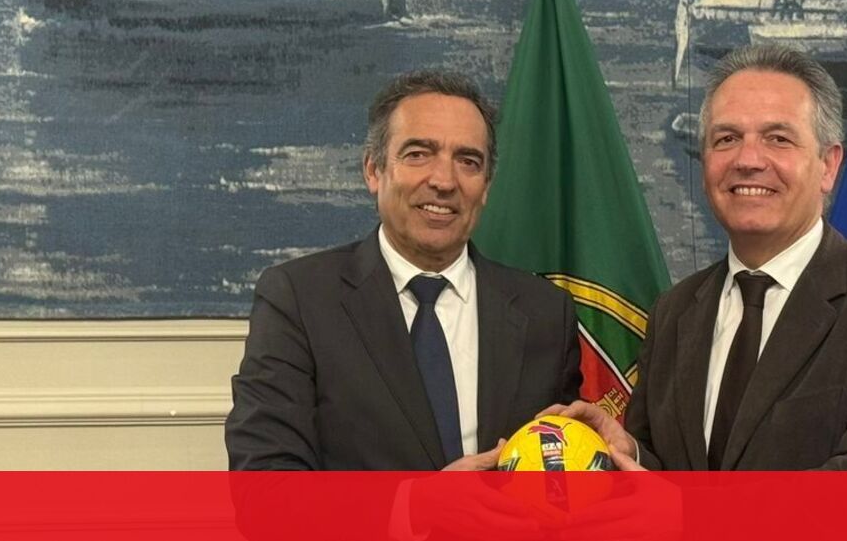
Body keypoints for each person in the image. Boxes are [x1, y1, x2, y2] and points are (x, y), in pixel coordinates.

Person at [552, 45, 847, 470]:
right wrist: (627, 452)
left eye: (778, 139)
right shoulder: (675, 312)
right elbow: (669, 478)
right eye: (726, 139)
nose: (747, 160)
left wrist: (686, 506)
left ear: (828, 165)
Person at [226, 71, 582, 470]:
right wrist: (415, 503)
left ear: (485, 186)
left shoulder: (546, 313)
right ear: (373, 170)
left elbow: (566, 473)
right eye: (418, 154)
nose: (444, 181)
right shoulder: (299, 299)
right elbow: (265, 484)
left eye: (468, 161)